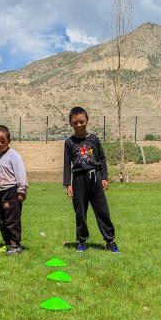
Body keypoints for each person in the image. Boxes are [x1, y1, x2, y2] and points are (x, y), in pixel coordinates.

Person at [63, 107, 119, 253]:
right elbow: (67, 164)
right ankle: (82, 241)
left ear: (87, 120)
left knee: (102, 211)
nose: (79, 125)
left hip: (95, 178)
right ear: (71, 123)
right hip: (78, 180)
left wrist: (104, 177)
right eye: (75, 123)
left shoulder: (94, 139)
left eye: (81, 121)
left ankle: (110, 241)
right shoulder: (69, 142)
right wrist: (67, 184)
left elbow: (102, 159)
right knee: (80, 212)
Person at [0, 125, 28, 255]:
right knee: (2, 219)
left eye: (2, 141)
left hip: (12, 191)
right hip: (0, 192)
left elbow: (20, 173)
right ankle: (7, 243)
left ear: (9, 140)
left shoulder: (13, 155)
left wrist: (22, 190)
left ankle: (15, 245)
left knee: (12, 219)